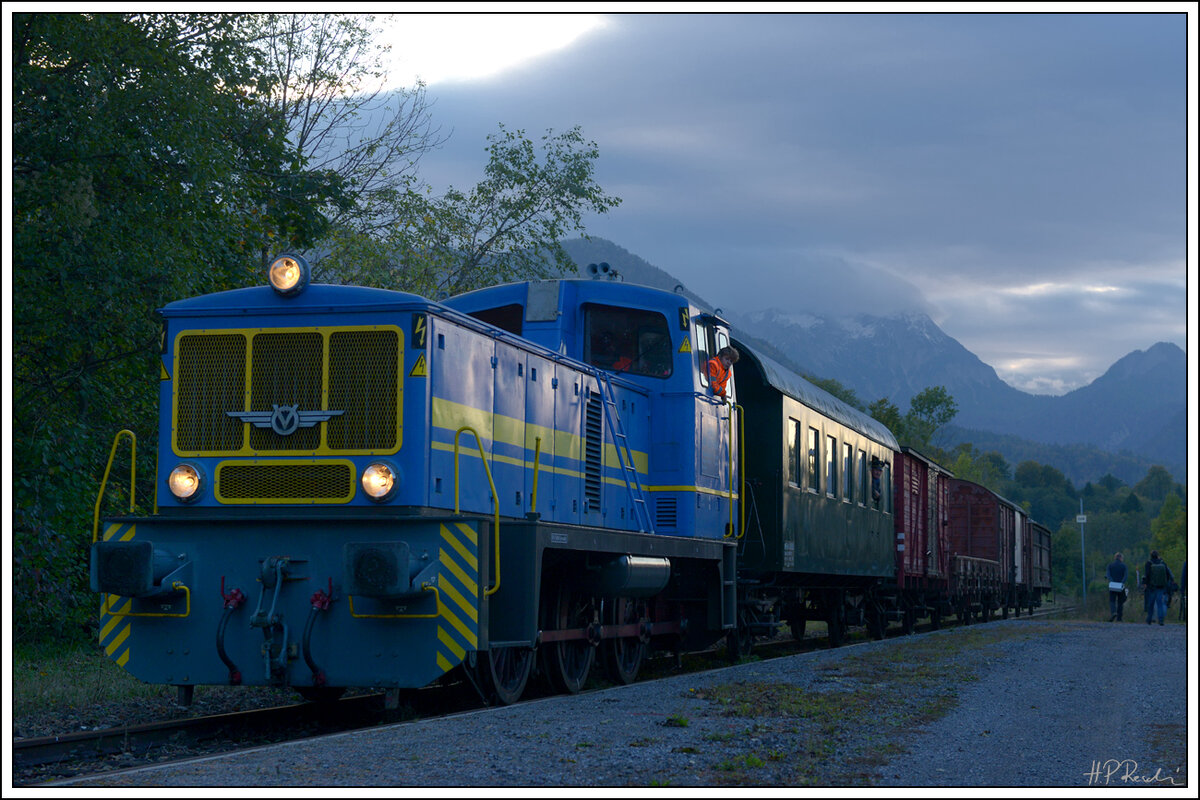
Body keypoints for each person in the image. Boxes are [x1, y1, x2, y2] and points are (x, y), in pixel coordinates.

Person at [1142, 550, 1175, 626]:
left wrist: (1145, 584)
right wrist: (1166, 584)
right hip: (1161, 586)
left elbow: (1146, 574)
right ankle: (1161, 620)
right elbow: (1167, 574)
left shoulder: (1149, 563)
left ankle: (1149, 619)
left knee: (1151, 603)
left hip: (1151, 586)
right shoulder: (1162, 562)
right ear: (1157, 555)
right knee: (1160, 603)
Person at [1105, 552, 1128, 622]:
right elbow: (1125, 576)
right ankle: (1119, 618)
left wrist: (1111, 581)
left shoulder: (1110, 565)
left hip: (1112, 585)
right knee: (1120, 602)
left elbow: (1108, 575)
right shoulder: (1124, 566)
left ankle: (1113, 612)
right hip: (1120, 585)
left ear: (1115, 558)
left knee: (1112, 600)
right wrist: (1122, 582)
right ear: (1121, 558)